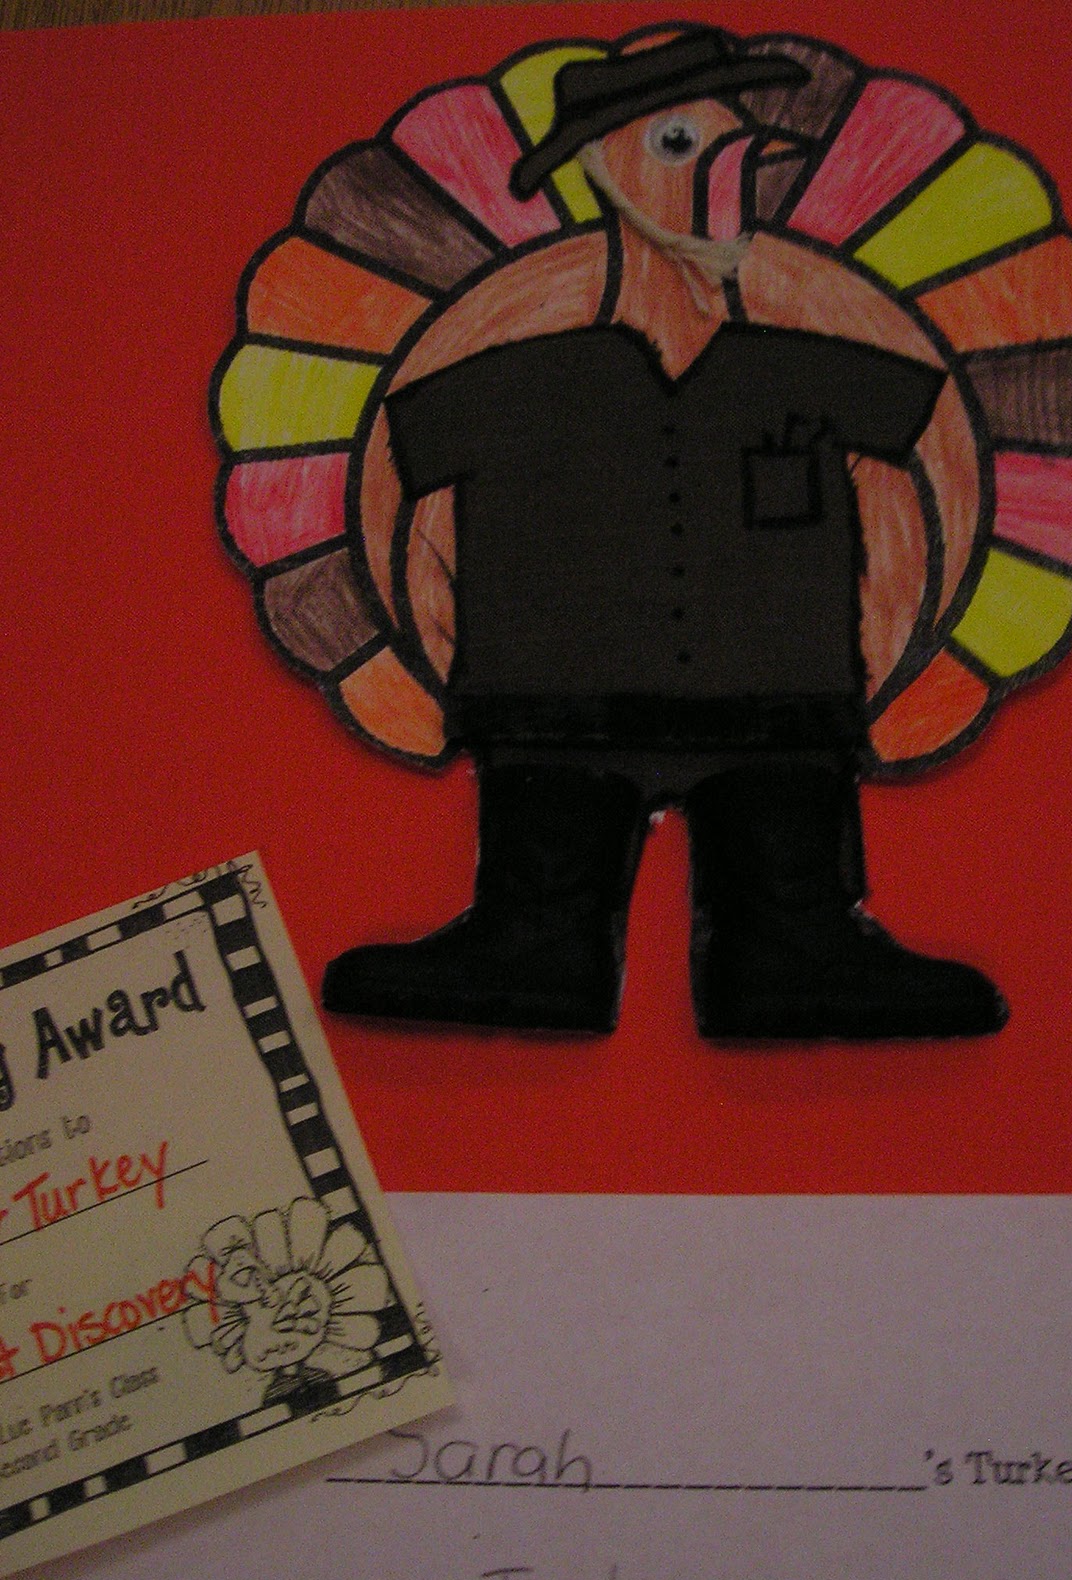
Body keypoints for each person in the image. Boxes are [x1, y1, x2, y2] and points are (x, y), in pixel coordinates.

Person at [322, 30, 1008, 1040]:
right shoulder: (512, 386)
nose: (728, 169)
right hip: (560, 704)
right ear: (602, 169)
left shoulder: (812, 375)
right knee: (539, 912)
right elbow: (399, 487)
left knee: (788, 916)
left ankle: (789, 948)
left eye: (739, 145)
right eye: (682, 143)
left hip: (771, 704)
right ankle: (539, 945)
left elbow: (934, 449)